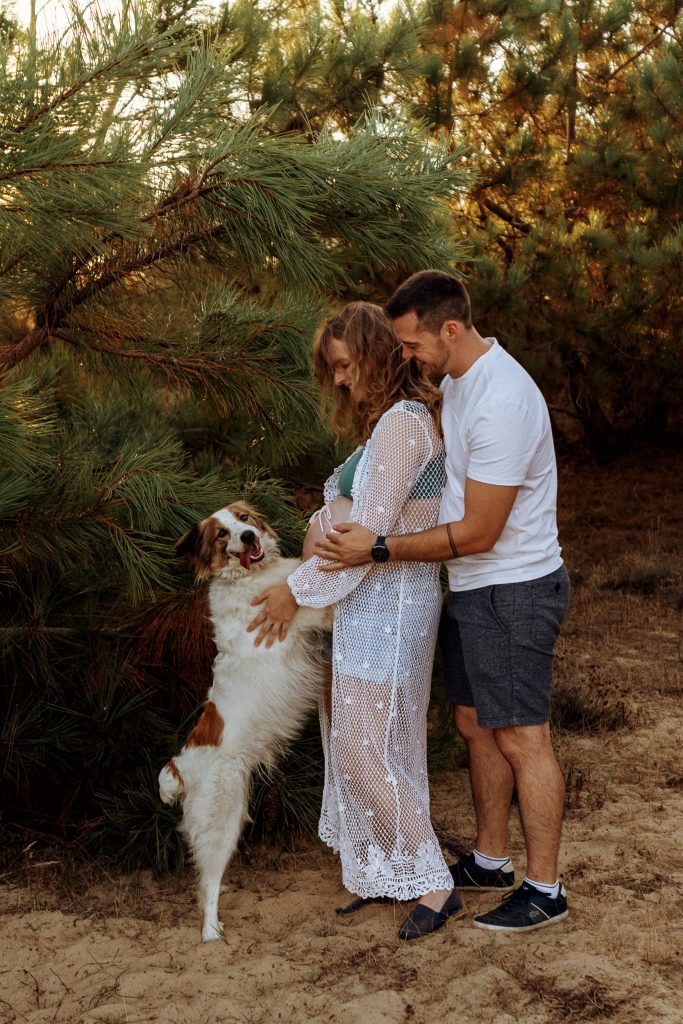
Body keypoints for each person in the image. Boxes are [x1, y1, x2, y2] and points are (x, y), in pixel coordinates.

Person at [314, 271, 571, 934]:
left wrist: (376, 550)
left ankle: (544, 889)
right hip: (467, 584)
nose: (405, 356)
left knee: (520, 735)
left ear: (448, 330)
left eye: (410, 343)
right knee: (473, 726)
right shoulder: (456, 385)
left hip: (512, 585)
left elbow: (481, 529)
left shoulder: (503, 400)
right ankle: (489, 861)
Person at [247, 301, 462, 941]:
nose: (338, 381)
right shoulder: (381, 431)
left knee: (363, 747)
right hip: (363, 600)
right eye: (333, 371)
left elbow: (364, 536)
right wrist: (319, 530)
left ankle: (432, 882)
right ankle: (380, 873)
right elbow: (339, 525)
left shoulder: (402, 423)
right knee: (372, 741)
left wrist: (294, 591)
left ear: (374, 354)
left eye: (344, 367)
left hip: (392, 602)